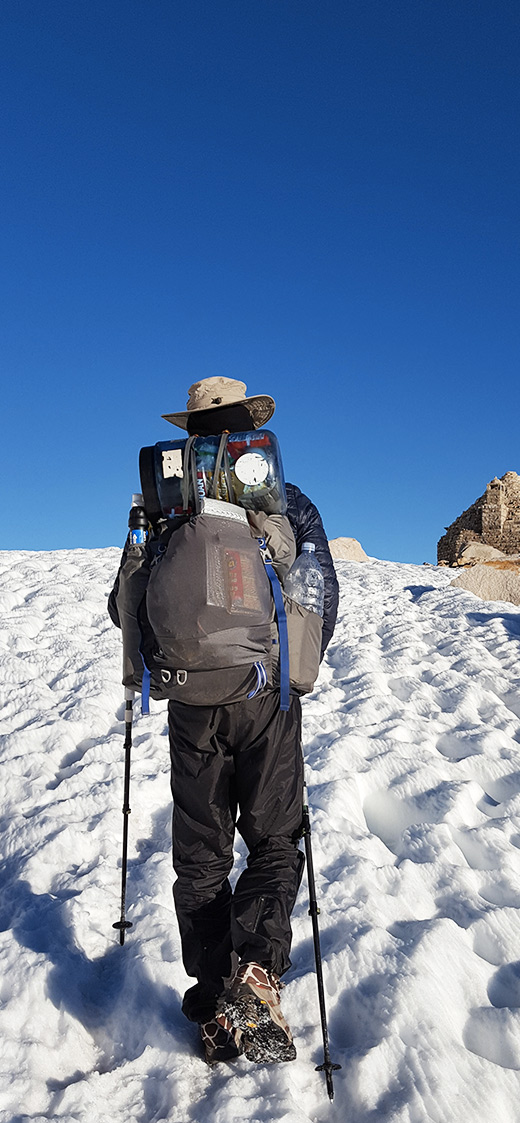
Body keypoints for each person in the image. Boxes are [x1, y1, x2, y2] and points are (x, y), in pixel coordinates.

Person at [108, 377, 339, 1065]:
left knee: (202, 856)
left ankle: (214, 995)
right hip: (264, 695)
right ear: (250, 426)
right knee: (273, 841)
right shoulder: (282, 497)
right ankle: (258, 974)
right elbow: (320, 591)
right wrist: (293, 669)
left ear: (189, 429)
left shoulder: (161, 503)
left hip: (189, 701)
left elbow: (125, 606)